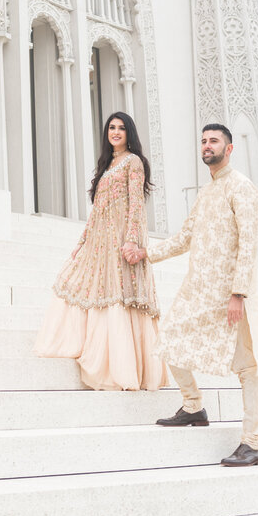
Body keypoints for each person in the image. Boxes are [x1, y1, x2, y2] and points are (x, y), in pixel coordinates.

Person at [124, 124, 258, 466]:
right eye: (203, 141)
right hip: (199, 290)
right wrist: (147, 254)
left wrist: (239, 293)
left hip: (232, 295)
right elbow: (185, 236)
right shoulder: (207, 192)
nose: (206, 146)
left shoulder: (242, 188)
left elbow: (249, 243)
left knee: (248, 368)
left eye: (213, 141)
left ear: (229, 149)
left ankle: (252, 444)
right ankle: (193, 406)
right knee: (170, 338)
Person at [34, 111, 168, 391]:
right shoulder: (107, 165)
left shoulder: (134, 162)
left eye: (121, 128)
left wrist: (131, 240)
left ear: (129, 132)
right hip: (99, 240)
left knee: (118, 291)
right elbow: (96, 212)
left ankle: (124, 366)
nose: (116, 132)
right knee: (80, 283)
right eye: (111, 128)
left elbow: (136, 204)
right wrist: (82, 243)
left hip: (121, 239)